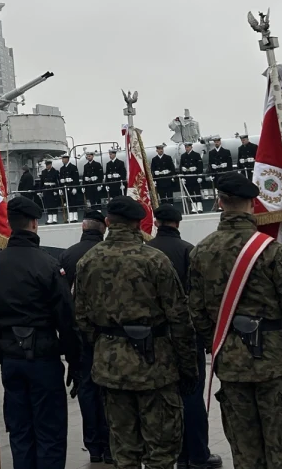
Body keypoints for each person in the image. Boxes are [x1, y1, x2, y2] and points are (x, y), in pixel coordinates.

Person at [188, 174, 282, 469]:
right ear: (252, 204)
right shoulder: (270, 250)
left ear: (219, 202)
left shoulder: (201, 251)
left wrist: (222, 345)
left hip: (230, 362)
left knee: (245, 450)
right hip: (273, 362)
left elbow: (196, 314)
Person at [75, 197, 199, 469]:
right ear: (137, 224)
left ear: (108, 222)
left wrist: (106, 346)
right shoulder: (155, 260)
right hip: (156, 366)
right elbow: (179, 318)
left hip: (111, 367)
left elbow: (81, 318)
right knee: (162, 451)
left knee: (124, 451)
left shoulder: (88, 261)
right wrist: (188, 367)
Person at [0, 196, 80, 469]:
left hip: (11, 358)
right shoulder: (48, 264)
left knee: (20, 430)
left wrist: (1, 349)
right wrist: (74, 359)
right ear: (35, 224)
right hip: (43, 357)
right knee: (49, 430)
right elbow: (66, 318)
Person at [146, 205, 220, 469]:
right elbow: (202, 296)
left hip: (155, 338)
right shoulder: (190, 251)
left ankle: (176, 454)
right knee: (192, 394)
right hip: (188, 335)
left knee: (164, 397)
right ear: (178, 223)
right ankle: (198, 455)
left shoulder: (147, 252)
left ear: (156, 223)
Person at [57, 210, 111, 463]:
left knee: (87, 388)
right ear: (104, 228)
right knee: (109, 388)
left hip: (79, 332)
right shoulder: (108, 253)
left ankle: (94, 446)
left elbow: (63, 298)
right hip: (107, 333)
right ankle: (111, 444)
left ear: (82, 227)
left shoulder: (67, 255)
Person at [178, 143, 204, 213]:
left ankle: (199, 207)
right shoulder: (183, 156)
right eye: (186, 147)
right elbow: (181, 166)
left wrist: (200, 176)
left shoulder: (196, 155)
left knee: (197, 191)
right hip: (187, 177)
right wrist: (182, 176)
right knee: (190, 192)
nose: (187, 148)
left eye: (188, 147)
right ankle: (193, 207)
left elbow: (200, 166)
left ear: (191, 147)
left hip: (195, 176)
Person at [58, 155, 83, 223]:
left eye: (64, 159)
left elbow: (76, 178)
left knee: (73, 202)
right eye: (62, 159)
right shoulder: (62, 169)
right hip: (65, 187)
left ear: (67, 159)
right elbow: (61, 179)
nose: (62, 160)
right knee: (68, 202)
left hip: (72, 187)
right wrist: (60, 188)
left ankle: (75, 217)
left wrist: (75, 187)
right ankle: (70, 217)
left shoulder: (73, 167)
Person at [38, 159, 62, 225]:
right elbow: (41, 182)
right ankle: (50, 218)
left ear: (50, 165)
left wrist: (56, 190)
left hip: (53, 189)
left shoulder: (55, 172)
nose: (47, 166)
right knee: (48, 204)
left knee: (54, 204)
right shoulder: (44, 172)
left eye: (48, 165)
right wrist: (40, 191)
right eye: (46, 165)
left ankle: (54, 218)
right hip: (46, 189)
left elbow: (57, 182)